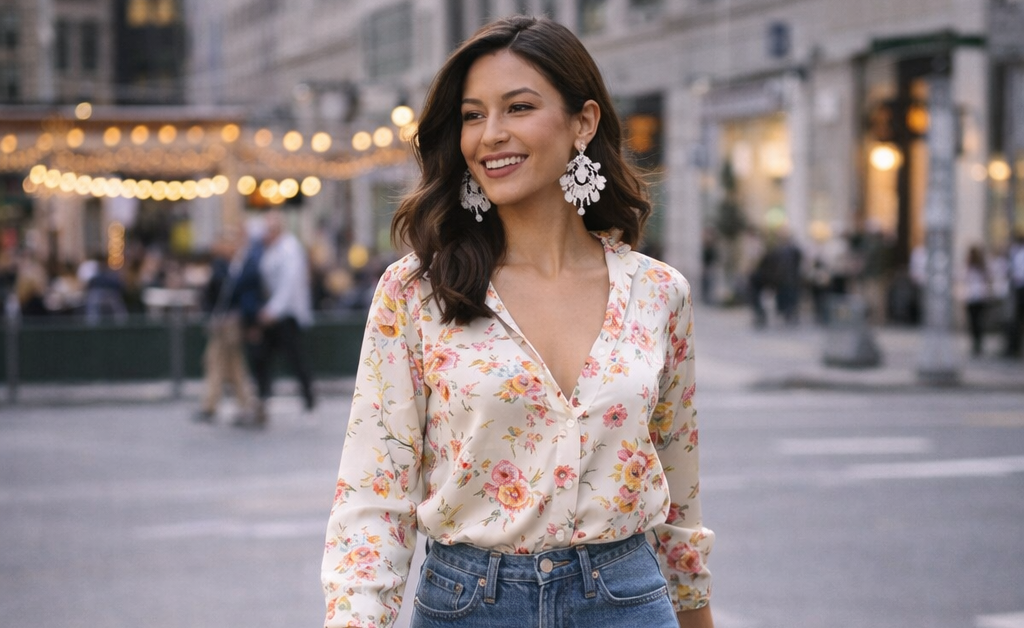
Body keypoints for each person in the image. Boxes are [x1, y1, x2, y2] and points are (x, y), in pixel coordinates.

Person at [322, 16, 714, 628]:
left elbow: (679, 484)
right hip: (467, 605)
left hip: (628, 601)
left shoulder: (659, 294)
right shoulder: (417, 292)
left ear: (583, 122)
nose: (491, 135)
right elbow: (374, 495)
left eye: (519, 107)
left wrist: (694, 609)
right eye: (473, 115)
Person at [243, 209, 316, 427]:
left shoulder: (289, 249)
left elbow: (288, 284)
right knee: (262, 356)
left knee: (295, 358)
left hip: (287, 315)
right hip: (272, 314)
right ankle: (263, 397)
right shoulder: (268, 249)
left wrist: (272, 310)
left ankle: (309, 400)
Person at [194, 229, 257, 423]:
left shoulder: (231, 266)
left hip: (228, 322)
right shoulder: (226, 265)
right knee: (225, 363)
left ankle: (217, 404)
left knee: (222, 362)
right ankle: (239, 403)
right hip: (226, 320)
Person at [962, 245, 992, 357]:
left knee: (974, 322)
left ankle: (977, 343)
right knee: (978, 322)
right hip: (979, 296)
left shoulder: (973, 267)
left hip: (974, 296)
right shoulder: (981, 266)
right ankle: (978, 343)